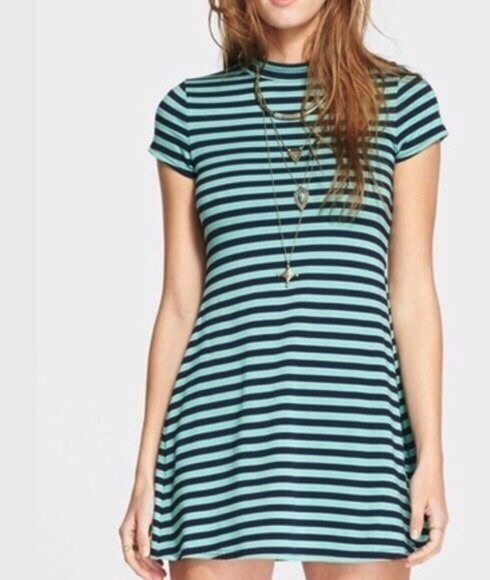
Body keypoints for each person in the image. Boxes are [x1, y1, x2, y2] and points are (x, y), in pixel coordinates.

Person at [119, 0, 450, 578]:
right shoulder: (191, 111)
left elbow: (414, 295)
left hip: (359, 431)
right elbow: (178, 303)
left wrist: (430, 456)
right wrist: (145, 472)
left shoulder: (401, 103)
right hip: (220, 430)